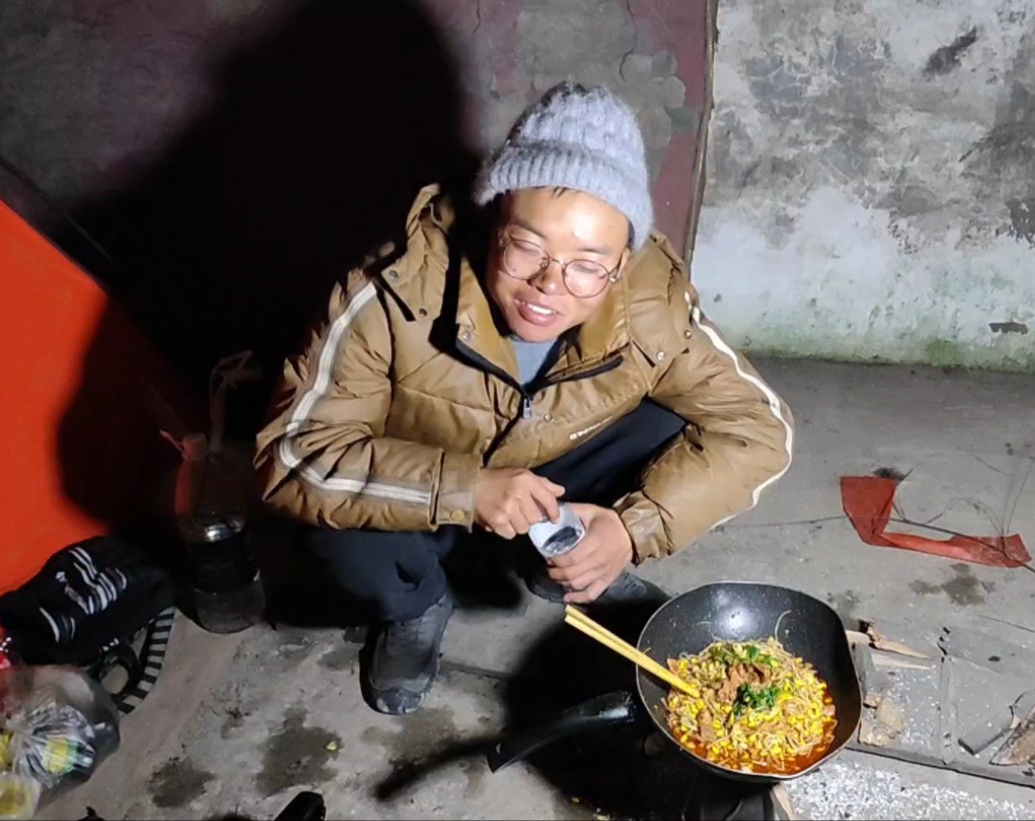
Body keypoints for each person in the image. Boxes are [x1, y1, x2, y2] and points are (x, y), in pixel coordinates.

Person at [255, 81, 793, 716]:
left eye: (588, 263)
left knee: (670, 421)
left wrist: (630, 527)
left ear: (623, 262)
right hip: (423, 509)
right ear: (493, 221)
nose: (548, 286)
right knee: (329, 523)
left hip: (547, 483)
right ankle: (416, 605)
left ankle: (566, 554)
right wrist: (467, 489)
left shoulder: (652, 304)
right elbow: (292, 456)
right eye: (527, 246)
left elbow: (761, 429)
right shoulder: (396, 291)